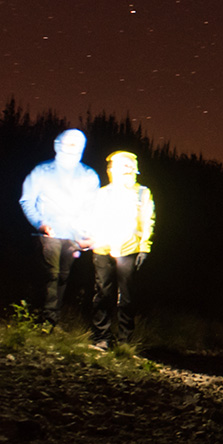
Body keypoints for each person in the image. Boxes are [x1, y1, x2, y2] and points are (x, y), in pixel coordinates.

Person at [18, 129, 102, 326]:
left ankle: (50, 319)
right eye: (69, 143)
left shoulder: (88, 175)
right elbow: (27, 199)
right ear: (58, 144)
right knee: (50, 275)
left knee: (63, 278)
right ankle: (44, 320)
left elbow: (92, 208)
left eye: (78, 145)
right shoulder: (42, 171)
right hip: (49, 234)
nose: (73, 148)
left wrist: (87, 234)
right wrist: (40, 223)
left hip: (72, 236)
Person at [86, 150, 155, 349]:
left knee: (127, 297)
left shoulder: (143, 192)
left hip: (130, 250)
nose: (126, 169)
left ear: (134, 168)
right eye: (122, 166)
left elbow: (148, 221)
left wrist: (145, 247)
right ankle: (101, 338)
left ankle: (126, 342)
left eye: (129, 166)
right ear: (113, 169)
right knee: (102, 294)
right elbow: (92, 219)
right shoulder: (103, 193)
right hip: (102, 249)